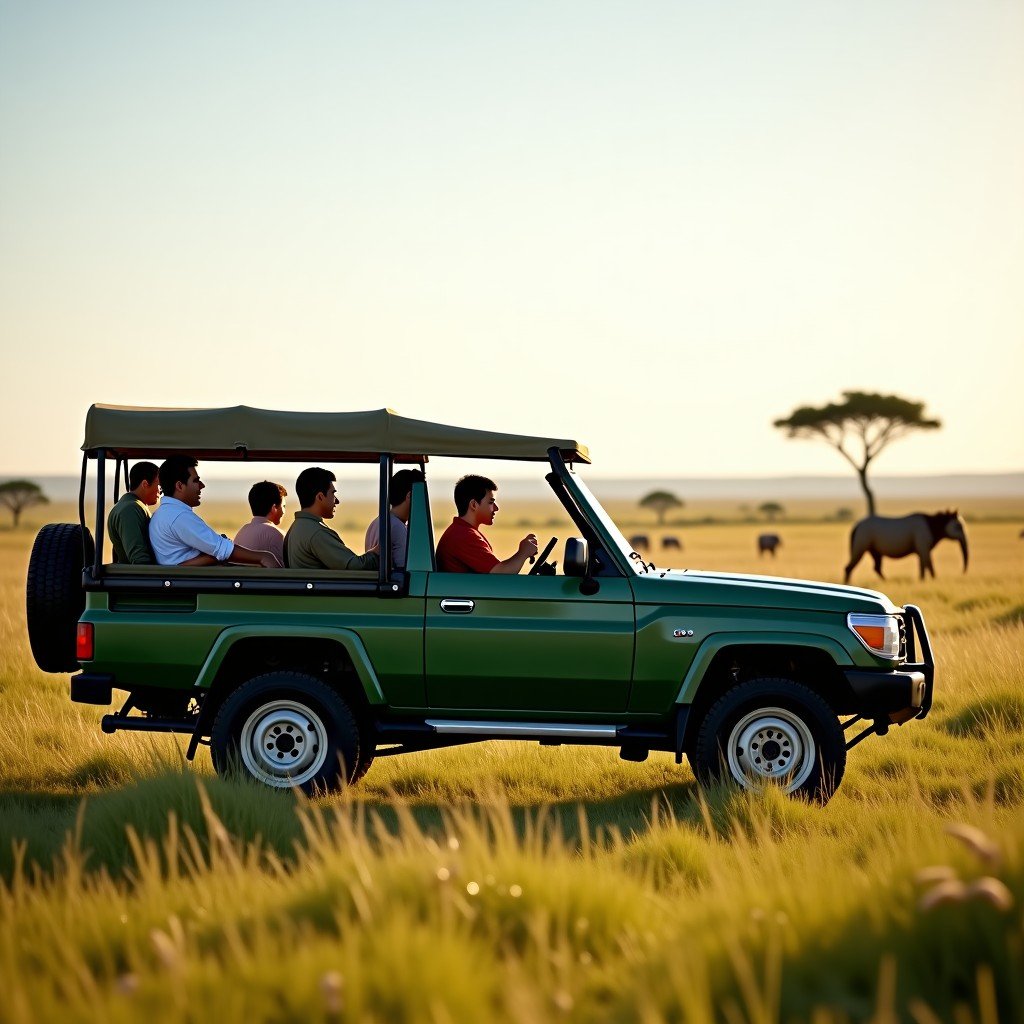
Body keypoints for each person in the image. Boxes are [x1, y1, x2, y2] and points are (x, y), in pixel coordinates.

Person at [150, 456, 282, 568]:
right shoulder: (178, 516)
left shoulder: (164, 513)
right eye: (196, 481)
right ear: (179, 486)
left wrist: (211, 556)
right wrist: (263, 557)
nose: (202, 485)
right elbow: (222, 549)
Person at [435, 474, 538, 573]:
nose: (496, 508)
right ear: (474, 505)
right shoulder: (464, 535)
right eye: (490, 502)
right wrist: (523, 552)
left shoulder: (461, 531)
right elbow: (500, 574)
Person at [284, 467, 380, 571]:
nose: (337, 501)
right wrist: (378, 551)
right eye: (333, 493)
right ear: (320, 497)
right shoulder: (317, 532)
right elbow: (354, 566)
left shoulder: (298, 526)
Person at [364, 469, 424, 570]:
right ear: (409, 496)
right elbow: (405, 570)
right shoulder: (398, 527)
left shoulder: (376, 522)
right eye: (420, 496)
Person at [107, 461, 159, 563]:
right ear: (145, 484)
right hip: (139, 577)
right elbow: (139, 559)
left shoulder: (134, 506)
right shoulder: (130, 509)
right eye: (159, 486)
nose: (160, 492)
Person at [233, 480, 287, 565]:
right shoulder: (276, 534)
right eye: (283, 506)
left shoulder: (243, 530)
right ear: (274, 508)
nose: (284, 511)